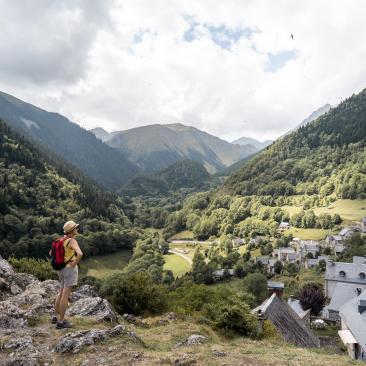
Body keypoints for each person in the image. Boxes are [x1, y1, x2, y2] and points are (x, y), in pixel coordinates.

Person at [52, 220, 83, 329]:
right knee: (65, 295)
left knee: (60, 292)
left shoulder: (61, 239)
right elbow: (80, 253)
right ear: (72, 230)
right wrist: (74, 263)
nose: (77, 229)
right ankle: (61, 322)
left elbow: (51, 253)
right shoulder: (72, 240)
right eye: (76, 228)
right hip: (69, 269)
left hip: (60, 269)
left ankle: (55, 316)